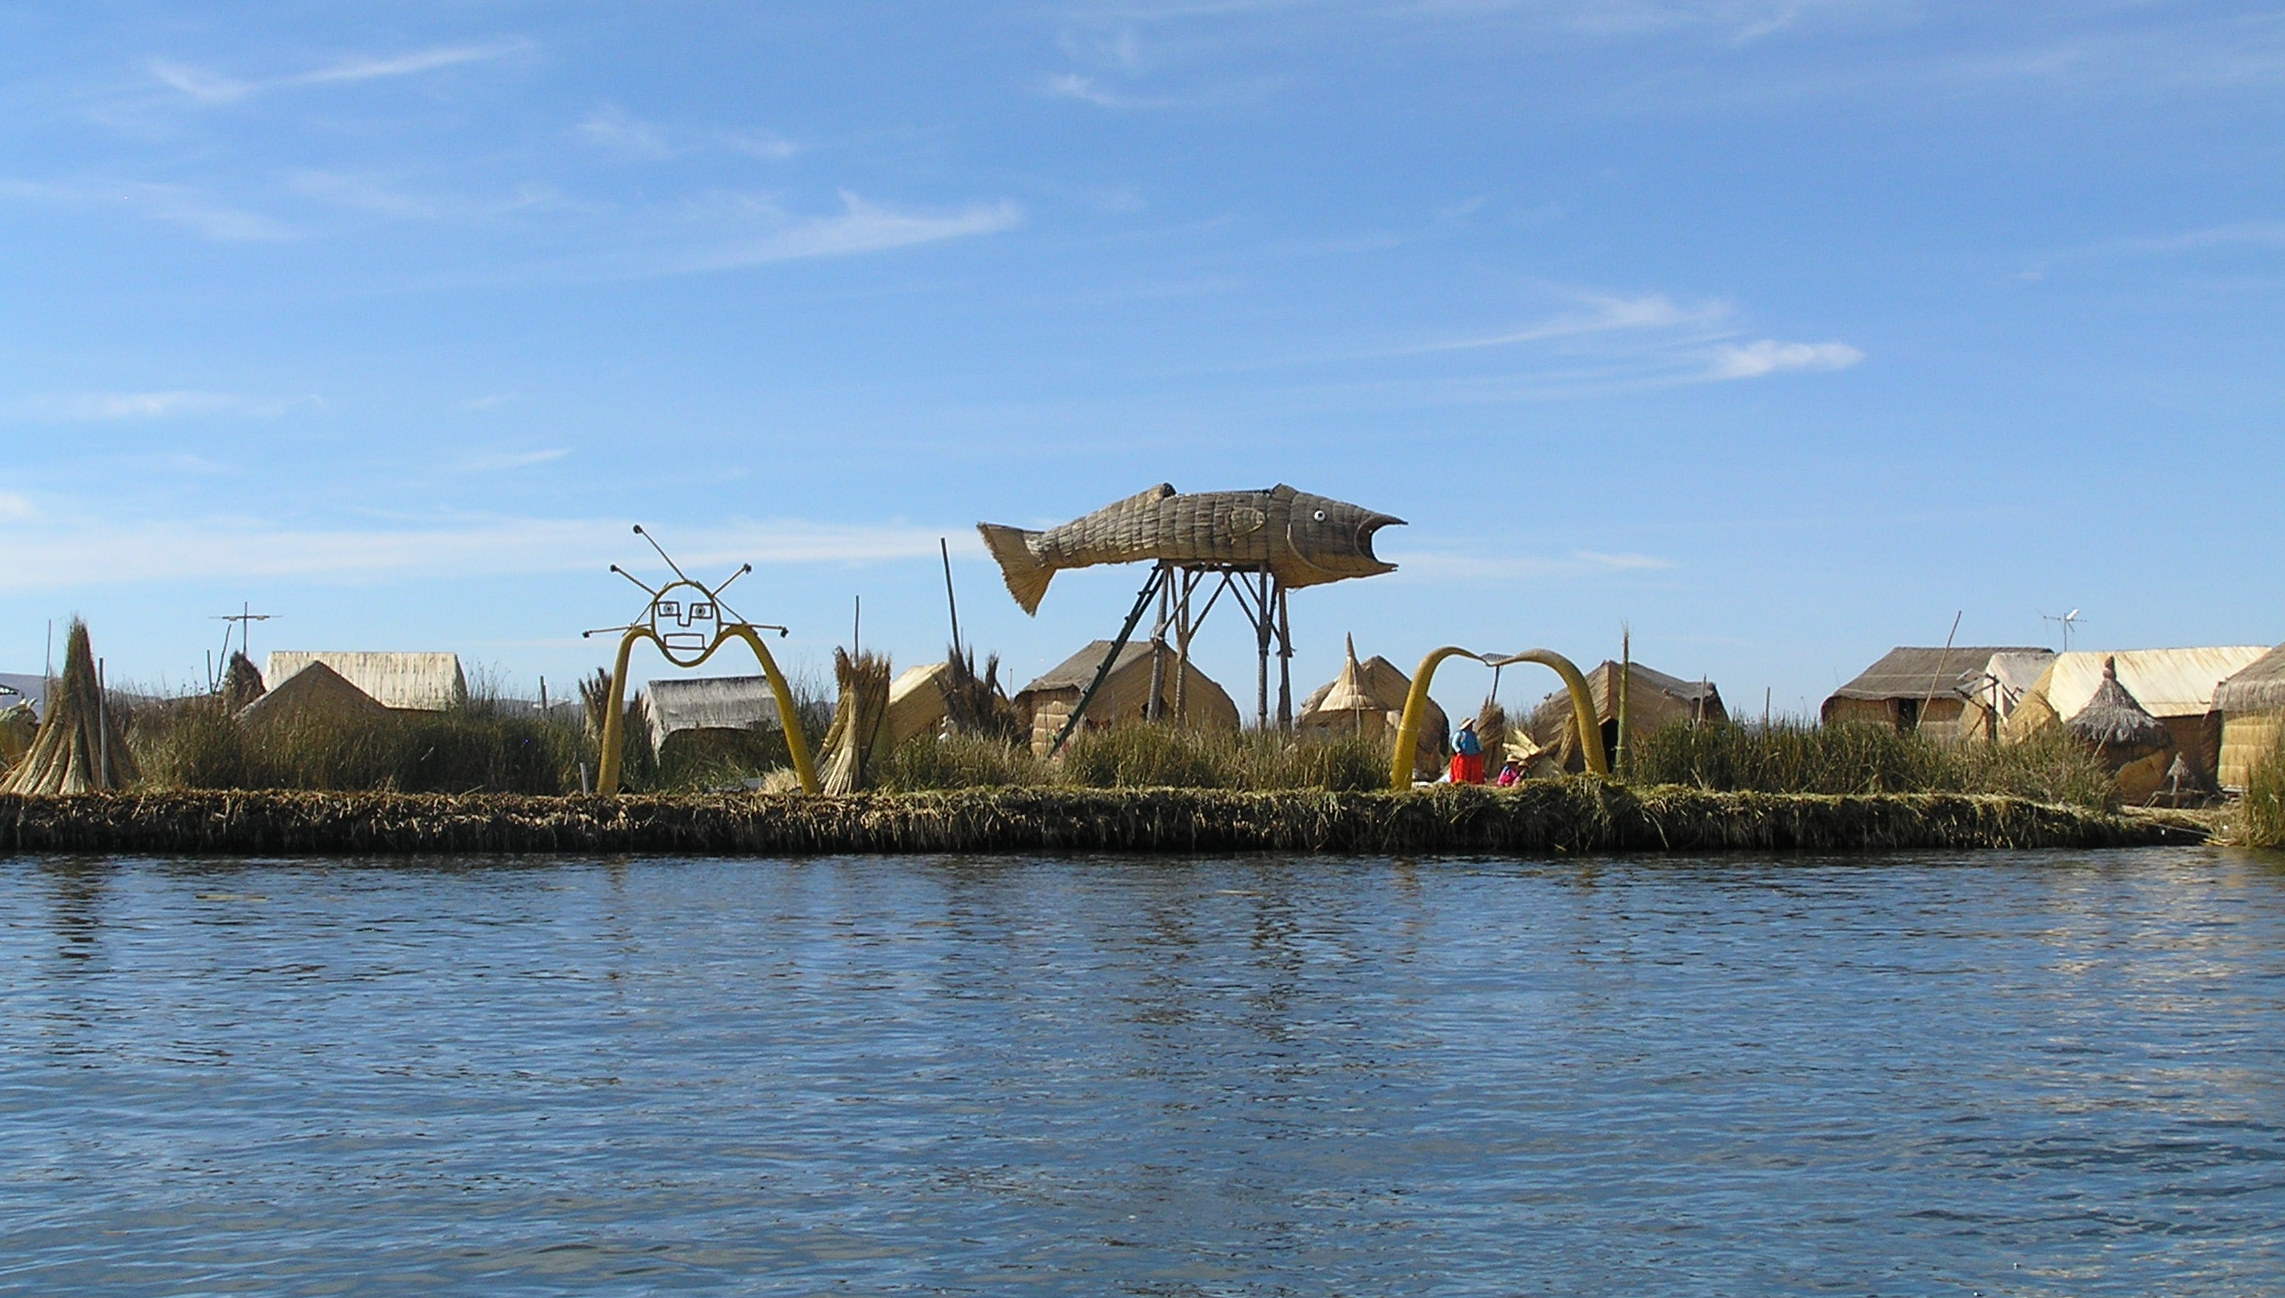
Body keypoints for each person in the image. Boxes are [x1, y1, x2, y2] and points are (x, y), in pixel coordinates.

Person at [1450, 718, 1485, 785]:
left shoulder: (1473, 734)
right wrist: (1458, 750)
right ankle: (1462, 783)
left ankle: (1474, 783)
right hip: (1463, 756)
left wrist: (1479, 749)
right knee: (1462, 772)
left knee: (1474, 772)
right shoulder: (1460, 734)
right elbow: (1454, 743)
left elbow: (1476, 743)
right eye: (1470, 725)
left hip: (1474, 756)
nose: (1472, 726)